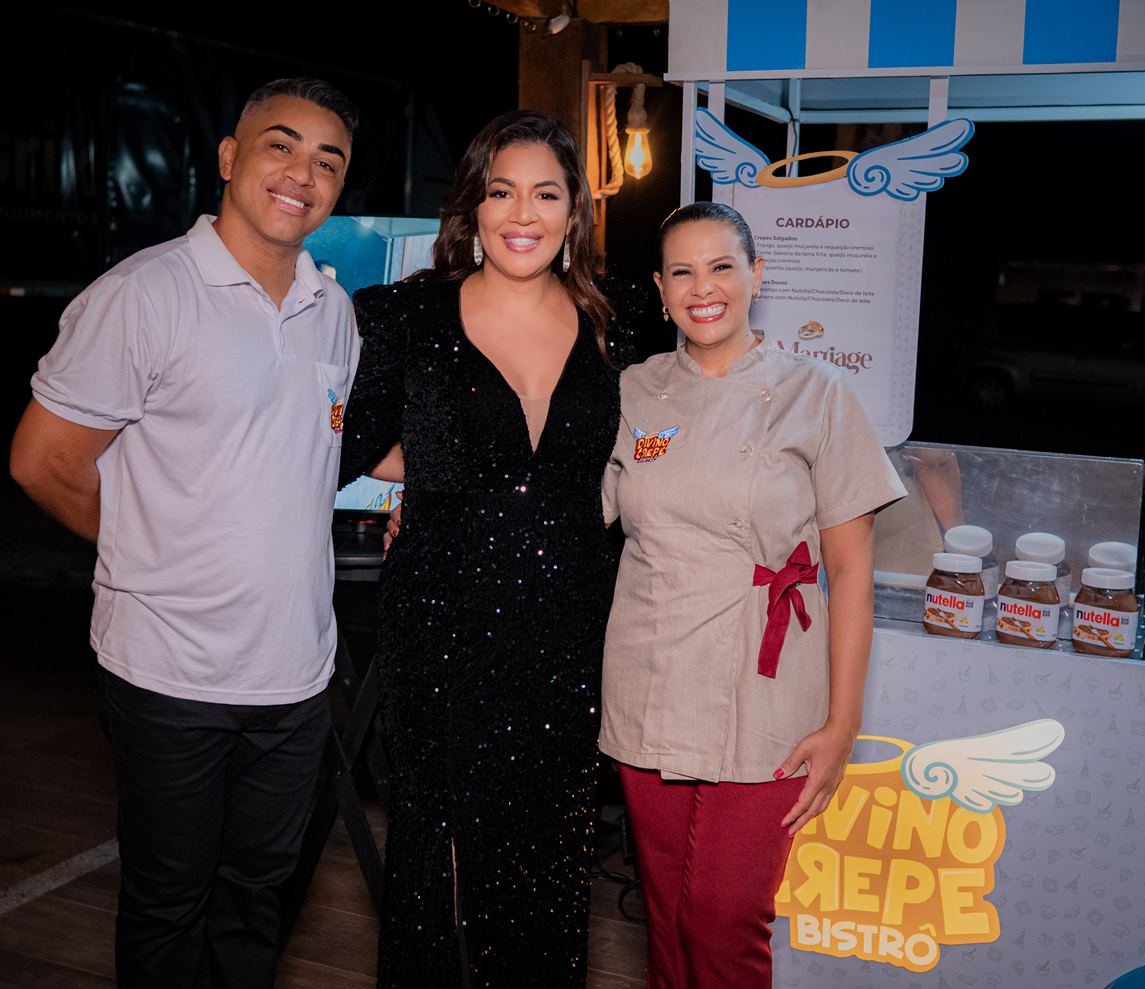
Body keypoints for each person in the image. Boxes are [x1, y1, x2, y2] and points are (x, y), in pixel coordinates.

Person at [9, 78, 360, 989]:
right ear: (230, 158)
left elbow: (307, 450)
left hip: (294, 673)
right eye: (281, 146)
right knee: (169, 901)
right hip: (169, 670)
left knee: (258, 896)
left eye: (328, 161)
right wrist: (147, 546)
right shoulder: (145, 293)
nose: (303, 174)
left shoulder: (334, 309)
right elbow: (43, 461)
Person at [339, 109, 649, 988]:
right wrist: (443, 475)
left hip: (569, 629)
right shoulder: (405, 313)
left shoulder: (616, 321)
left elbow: (648, 453)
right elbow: (350, 444)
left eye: (546, 194)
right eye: (502, 191)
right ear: (472, 204)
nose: (523, 213)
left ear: (573, 211)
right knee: (435, 859)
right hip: (442, 626)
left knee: (550, 860)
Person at [599, 202, 906, 989]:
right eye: (682, 271)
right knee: (667, 916)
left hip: (767, 688)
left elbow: (851, 574)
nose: (703, 288)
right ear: (660, 289)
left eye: (722, 266)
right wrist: (427, 507)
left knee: (724, 918)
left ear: (757, 276)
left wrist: (842, 723)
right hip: (649, 675)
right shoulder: (632, 390)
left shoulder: (819, 394)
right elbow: (556, 508)